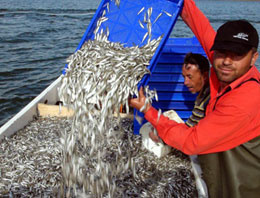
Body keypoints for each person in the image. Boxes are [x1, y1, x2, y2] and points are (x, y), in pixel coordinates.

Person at [129, 0, 260, 197]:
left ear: (253, 58)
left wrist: (149, 110)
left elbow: (191, 142)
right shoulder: (224, 68)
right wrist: (182, 3)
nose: (226, 61)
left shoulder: (246, 99)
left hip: (242, 185)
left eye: (237, 55)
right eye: (222, 52)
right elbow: (200, 26)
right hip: (216, 171)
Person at [182, 52, 210, 127]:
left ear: (204, 75)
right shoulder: (202, 96)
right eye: (184, 77)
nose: (185, 82)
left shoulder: (207, 102)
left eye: (189, 77)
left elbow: (189, 131)